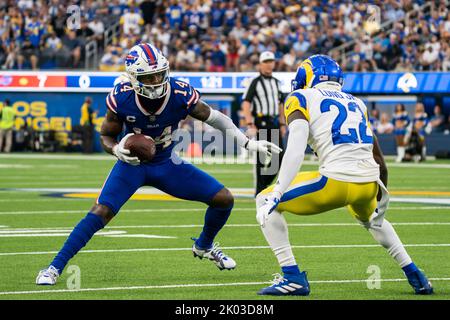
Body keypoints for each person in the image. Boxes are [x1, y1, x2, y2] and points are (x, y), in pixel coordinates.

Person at [36, 43, 281, 285]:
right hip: (132, 165)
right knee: (101, 211)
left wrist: (247, 144)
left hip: (167, 162)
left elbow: (216, 119)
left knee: (224, 199)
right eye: (147, 76)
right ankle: (54, 267)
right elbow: (106, 136)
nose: (155, 81)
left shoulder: (179, 92)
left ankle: (204, 246)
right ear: (133, 77)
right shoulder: (121, 97)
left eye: (159, 74)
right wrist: (117, 150)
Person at [255, 54, 433, 296]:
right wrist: (381, 197)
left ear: (308, 76)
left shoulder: (301, 97)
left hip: (334, 183)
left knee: (264, 201)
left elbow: (295, 149)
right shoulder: (356, 103)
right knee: (373, 220)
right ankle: (416, 275)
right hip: (368, 183)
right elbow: (379, 158)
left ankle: (293, 277)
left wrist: (277, 192)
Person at [241, 51, 286, 195]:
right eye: (266, 62)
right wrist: (249, 123)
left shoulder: (277, 83)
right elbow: (246, 103)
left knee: (279, 156)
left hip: (274, 122)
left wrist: (282, 123)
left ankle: (264, 186)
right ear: (260, 64)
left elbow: (280, 104)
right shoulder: (254, 82)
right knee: (261, 158)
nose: (269, 64)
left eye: (271, 61)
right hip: (261, 122)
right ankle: (259, 191)